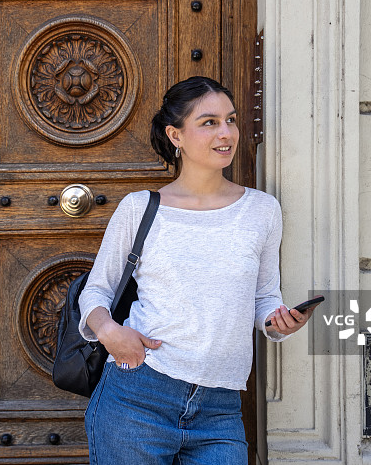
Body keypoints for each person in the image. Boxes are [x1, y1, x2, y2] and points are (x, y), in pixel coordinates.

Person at [78, 76, 313, 464]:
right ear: (176, 135)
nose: (226, 133)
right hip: (138, 395)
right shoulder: (140, 208)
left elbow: (264, 297)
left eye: (231, 120)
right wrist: (109, 332)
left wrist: (277, 322)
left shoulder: (261, 210)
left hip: (220, 409)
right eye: (209, 122)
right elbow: (96, 291)